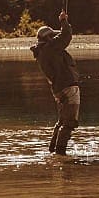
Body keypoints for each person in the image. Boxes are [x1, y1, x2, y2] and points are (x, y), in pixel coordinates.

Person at [31, 10, 81, 155]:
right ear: (47, 38)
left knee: (62, 122)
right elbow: (66, 36)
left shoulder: (42, 52)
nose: (54, 37)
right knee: (69, 123)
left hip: (59, 89)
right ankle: (60, 154)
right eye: (52, 36)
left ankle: (53, 151)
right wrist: (63, 21)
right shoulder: (50, 48)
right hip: (68, 88)